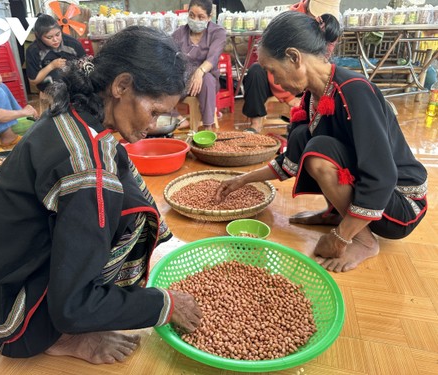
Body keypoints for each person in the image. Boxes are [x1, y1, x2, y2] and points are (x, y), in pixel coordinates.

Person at [0, 26, 201, 365]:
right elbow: (73, 306)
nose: (153, 124)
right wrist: (164, 303)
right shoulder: (87, 172)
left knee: (124, 199)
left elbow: (120, 176)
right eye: (155, 111)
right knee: (108, 204)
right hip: (8, 321)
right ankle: (64, 337)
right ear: (122, 86)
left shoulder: (74, 107)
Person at [215, 12, 428, 273]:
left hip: (399, 203)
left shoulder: (354, 90)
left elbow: (382, 175)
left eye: (272, 70)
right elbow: (290, 159)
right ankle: (336, 213)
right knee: (303, 137)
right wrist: (242, 179)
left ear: (294, 57)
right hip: (374, 195)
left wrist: (340, 237)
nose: (274, 81)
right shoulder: (312, 96)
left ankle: (362, 239)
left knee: (318, 150)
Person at [243, 0, 341, 134]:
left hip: (306, 77)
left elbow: (321, 64)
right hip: (289, 74)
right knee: (256, 71)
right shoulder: (290, 21)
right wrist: (288, 97)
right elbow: (276, 63)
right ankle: (255, 125)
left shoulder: (329, 26)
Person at [172, 0, 226, 130]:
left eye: (201, 17)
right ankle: (178, 118)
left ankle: (208, 126)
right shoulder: (179, 33)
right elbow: (169, 57)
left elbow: (213, 58)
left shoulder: (218, 32)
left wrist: (199, 72)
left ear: (209, 17)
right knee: (156, 80)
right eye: (192, 15)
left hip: (207, 79)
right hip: (182, 80)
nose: (195, 20)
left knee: (206, 79)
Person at [26, 13, 86, 93]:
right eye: (49, 37)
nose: (55, 40)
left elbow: (86, 63)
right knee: (57, 76)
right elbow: (33, 80)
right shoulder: (33, 51)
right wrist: (51, 66)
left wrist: (81, 65)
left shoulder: (72, 43)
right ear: (39, 37)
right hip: (50, 85)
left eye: (58, 34)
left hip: (74, 82)